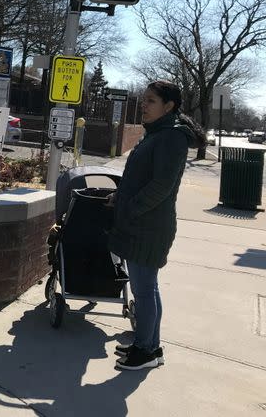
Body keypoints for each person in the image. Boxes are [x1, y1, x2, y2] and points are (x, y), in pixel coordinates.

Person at [108, 80, 205, 370]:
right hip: (142, 222)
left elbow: (161, 185)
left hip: (149, 226)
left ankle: (145, 351)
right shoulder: (157, 133)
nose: (144, 105)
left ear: (169, 105)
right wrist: (120, 196)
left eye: (151, 100)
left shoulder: (171, 138)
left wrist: (131, 208)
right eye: (144, 100)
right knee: (147, 288)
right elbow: (141, 177)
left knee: (144, 291)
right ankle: (150, 346)